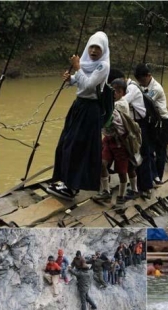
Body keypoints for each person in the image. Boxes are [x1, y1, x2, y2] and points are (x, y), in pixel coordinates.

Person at [47, 31, 110, 200]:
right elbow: (81, 81)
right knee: (65, 143)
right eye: (91, 47)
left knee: (77, 146)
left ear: (103, 50)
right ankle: (65, 181)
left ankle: (72, 187)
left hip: (90, 110)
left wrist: (77, 68)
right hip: (79, 106)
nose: (93, 51)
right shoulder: (86, 64)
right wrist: (71, 79)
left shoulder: (103, 66)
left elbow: (89, 85)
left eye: (98, 48)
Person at [93, 78, 137, 205]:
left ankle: (121, 196)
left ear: (123, 93)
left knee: (122, 171)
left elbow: (107, 119)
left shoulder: (120, 105)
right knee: (102, 163)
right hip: (109, 139)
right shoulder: (113, 103)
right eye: (113, 91)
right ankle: (106, 192)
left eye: (118, 91)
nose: (115, 93)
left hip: (120, 142)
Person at [134, 64, 168, 186]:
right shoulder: (141, 85)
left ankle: (158, 177)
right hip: (153, 122)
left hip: (163, 123)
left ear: (149, 76)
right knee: (148, 150)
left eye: (143, 80)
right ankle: (152, 176)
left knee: (160, 153)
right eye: (139, 81)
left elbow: (143, 101)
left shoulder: (156, 88)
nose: (141, 83)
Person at [126, 78, 154, 200]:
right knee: (136, 155)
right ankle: (140, 186)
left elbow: (121, 102)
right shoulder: (130, 86)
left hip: (140, 125)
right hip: (135, 124)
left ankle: (145, 187)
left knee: (142, 155)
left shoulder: (131, 88)